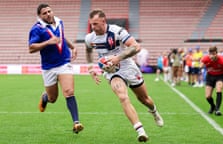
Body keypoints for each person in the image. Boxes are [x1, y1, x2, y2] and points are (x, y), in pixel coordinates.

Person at [85, 9, 163, 142]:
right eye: (91, 24)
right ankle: (140, 131)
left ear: (103, 21)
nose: (93, 27)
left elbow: (135, 47)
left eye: (96, 24)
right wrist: (91, 67)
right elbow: (88, 51)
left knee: (144, 99)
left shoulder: (117, 31)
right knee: (122, 96)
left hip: (128, 67)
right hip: (112, 72)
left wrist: (118, 58)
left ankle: (154, 112)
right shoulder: (90, 38)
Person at [28, 3, 83, 133]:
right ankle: (45, 97)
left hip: (64, 62)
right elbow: (31, 48)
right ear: (40, 16)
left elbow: (62, 37)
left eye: (49, 11)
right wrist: (48, 42)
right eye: (44, 13)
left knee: (69, 91)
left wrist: (72, 47)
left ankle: (76, 123)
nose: (48, 14)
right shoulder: (37, 29)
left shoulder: (59, 22)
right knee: (53, 99)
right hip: (48, 67)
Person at [200, 46, 223, 116]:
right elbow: (201, 65)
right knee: (208, 96)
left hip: (220, 76)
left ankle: (217, 109)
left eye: (213, 54)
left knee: (219, 89)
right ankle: (213, 106)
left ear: (216, 53)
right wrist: (202, 65)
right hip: (210, 76)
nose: (212, 56)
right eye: (210, 54)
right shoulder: (206, 58)